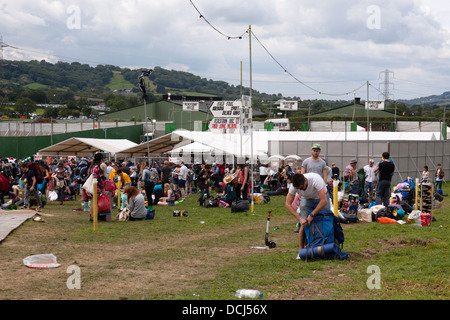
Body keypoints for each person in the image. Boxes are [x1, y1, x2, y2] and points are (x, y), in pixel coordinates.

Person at [285, 172, 330, 250]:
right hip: (306, 199)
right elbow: (288, 204)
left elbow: (324, 201)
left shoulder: (316, 179)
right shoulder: (294, 186)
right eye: (298, 189)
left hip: (321, 198)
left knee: (326, 220)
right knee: (304, 223)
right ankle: (301, 250)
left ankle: (327, 246)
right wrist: (300, 218)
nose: (300, 190)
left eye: (302, 188)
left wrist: (312, 215)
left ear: (305, 180)